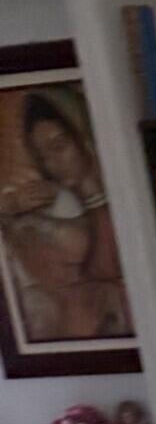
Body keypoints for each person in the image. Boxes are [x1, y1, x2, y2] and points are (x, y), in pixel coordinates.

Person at [0, 89, 131, 341]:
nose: (52, 164)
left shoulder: (125, 205)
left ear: (82, 137)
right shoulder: (49, 210)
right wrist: (10, 208)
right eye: (42, 157)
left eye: (58, 146)